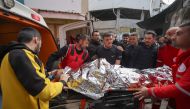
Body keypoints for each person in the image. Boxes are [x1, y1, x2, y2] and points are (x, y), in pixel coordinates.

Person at [0, 27, 69, 109]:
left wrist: (52, 74)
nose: (41, 46)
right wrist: (62, 82)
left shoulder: (13, 54)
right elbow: (44, 92)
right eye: (41, 42)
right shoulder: (20, 55)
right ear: (36, 40)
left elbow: (30, 78)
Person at [134, 23, 190, 109]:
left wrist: (151, 91)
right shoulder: (183, 52)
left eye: (178, 34)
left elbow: (180, 88)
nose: (173, 38)